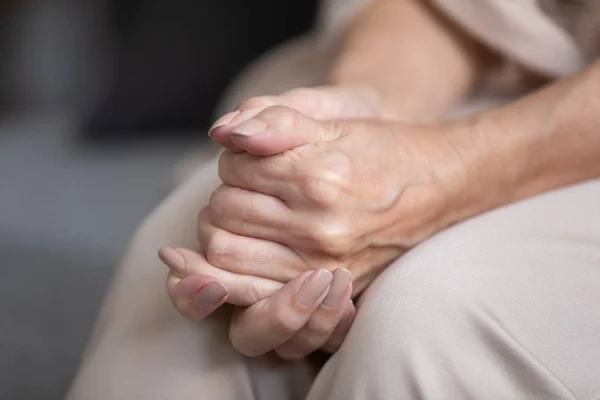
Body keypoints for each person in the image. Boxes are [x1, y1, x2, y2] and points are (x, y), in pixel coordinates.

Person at [67, 0, 600, 399]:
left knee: (428, 318)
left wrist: (443, 176)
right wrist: (368, 107)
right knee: (215, 232)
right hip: (500, 84)